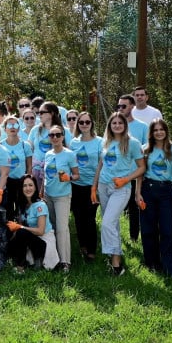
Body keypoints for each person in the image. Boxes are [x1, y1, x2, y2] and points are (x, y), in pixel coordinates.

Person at [92, 112, 145, 276]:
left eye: (120, 123)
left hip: (121, 188)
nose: (117, 125)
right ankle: (113, 255)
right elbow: (100, 165)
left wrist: (126, 180)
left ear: (125, 125)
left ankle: (116, 264)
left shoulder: (133, 143)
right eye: (113, 123)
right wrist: (94, 187)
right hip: (103, 186)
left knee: (107, 222)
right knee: (112, 223)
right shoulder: (105, 141)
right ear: (110, 125)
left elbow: (142, 167)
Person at [136, 119, 172, 278]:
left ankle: (170, 266)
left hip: (166, 192)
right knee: (148, 229)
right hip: (147, 190)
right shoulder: (145, 149)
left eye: (162, 129)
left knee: (168, 229)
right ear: (151, 133)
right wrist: (137, 193)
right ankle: (152, 263)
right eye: (155, 130)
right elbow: (140, 173)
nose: (159, 132)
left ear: (166, 131)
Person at [6, 175, 59, 273]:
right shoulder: (22, 205)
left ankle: (20, 268)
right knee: (10, 241)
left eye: (31, 185)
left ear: (35, 187)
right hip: (31, 238)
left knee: (21, 232)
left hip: (43, 240)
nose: (28, 188)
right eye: (24, 186)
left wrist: (19, 227)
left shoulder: (40, 205)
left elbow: (40, 231)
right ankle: (28, 260)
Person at [44, 125, 79, 272]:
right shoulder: (48, 154)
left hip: (62, 196)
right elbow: (46, 176)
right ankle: (53, 258)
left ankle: (65, 261)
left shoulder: (69, 154)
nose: (55, 138)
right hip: (48, 195)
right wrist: (41, 192)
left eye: (58, 135)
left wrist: (69, 177)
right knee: (51, 228)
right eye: (52, 135)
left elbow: (77, 175)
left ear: (63, 137)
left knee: (62, 228)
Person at [69, 111, 103, 262]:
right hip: (76, 185)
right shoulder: (73, 142)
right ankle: (82, 245)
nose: (84, 125)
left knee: (89, 218)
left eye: (87, 122)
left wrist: (95, 185)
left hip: (93, 185)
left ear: (92, 124)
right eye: (81, 122)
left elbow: (101, 165)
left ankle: (91, 250)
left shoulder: (100, 142)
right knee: (78, 217)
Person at [117, 94, 148, 241]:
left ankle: (134, 239)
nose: (120, 109)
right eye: (119, 106)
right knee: (116, 210)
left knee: (134, 210)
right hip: (117, 176)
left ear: (132, 106)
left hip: (134, 175)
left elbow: (146, 150)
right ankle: (116, 238)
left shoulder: (142, 127)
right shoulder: (114, 125)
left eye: (124, 106)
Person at [28, 101, 69, 192]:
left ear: (51, 114)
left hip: (56, 171)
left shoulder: (64, 131)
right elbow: (29, 150)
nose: (39, 115)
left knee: (55, 198)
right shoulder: (35, 130)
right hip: (37, 170)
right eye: (38, 113)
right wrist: (29, 170)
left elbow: (69, 152)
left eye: (42, 112)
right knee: (38, 200)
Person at [2, 115, 32, 220]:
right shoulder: (1, 146)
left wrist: (27, 180)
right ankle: (9, 233)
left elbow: (29, 166)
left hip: (21, 181)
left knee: (21, 210)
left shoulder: (25, 145)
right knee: (8, 210)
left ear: (19, 127)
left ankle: (21, 231)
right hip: (6, 182)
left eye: (15, 124)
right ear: (5, 128)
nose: (12, 127)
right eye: (9, 125)